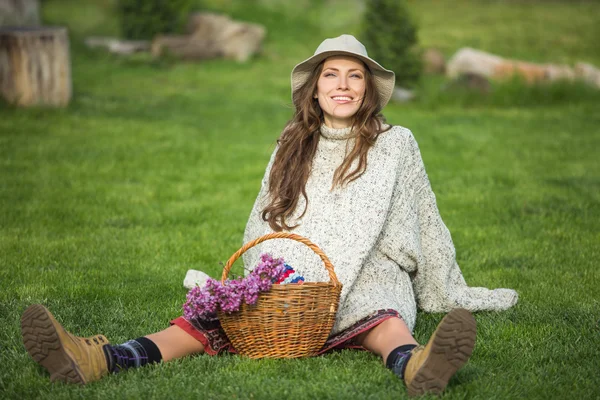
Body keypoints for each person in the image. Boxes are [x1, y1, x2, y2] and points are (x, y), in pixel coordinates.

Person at [21, 34, 518, 396]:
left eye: (354, 76)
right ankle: (101, 358)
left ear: (367, 89)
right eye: (331, 74)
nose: (342, 85)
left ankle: (417, 367)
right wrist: (270, 273)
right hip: (293, 271)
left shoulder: (395, 143)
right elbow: (267, 216)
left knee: (383, 319)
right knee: (205, 322)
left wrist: (436, 282)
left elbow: (423, 218)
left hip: (370, 266)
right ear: (316, 88)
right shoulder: (291, 140)